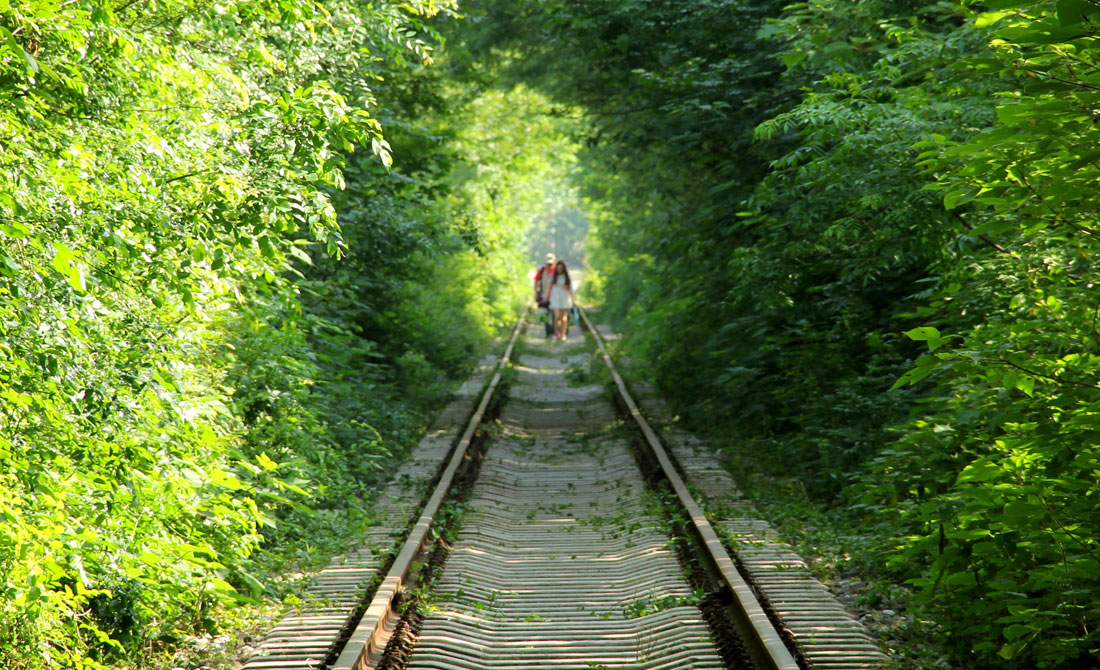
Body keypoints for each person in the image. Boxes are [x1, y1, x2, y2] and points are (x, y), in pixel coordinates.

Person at [546, 259, 573, 340]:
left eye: (561, 268)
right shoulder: (553, 276)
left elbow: (570, 288)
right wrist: (547, 297)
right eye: (558, 268)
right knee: (557, 316)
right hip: (555, 297)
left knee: (564, 317)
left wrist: (573, 299)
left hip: (563, 296)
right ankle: (557, 332)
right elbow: (549, 287)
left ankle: (563, 334)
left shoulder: (566, 276)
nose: (559, 270)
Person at [533, 253, 556, 338]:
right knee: (545, 314)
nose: (549, 265)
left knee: (555, 313)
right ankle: (549, 332)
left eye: (551, 264)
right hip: (544, 294)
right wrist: (536, 292)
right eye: (548, 264)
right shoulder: (541, 270)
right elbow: (536, 281)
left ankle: (555, 330)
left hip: (555, 295)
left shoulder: (557, 270)